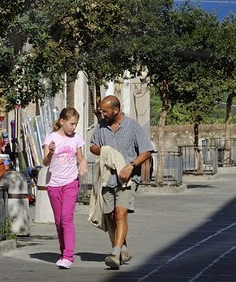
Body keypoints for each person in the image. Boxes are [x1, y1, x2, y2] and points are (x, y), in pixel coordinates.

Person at [89, 94, 154, 270]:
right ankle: (124, 250)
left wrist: (131, 166)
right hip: (107, 177)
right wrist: (104, 150)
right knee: (110, 216)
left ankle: (115, 254)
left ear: (115, 110)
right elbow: (92, 145)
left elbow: (146, 151)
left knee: (120, 214)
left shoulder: (133, 127)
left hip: (127, 179)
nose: (102, 114)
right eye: (101, 111)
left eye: (105, 111)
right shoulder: (101, 126)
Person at [42, 107, 86, 269]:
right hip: (54, 184)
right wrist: (51, 152)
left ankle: (68, 256)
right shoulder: (51, 138)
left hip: (70, 182)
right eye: (71, 124)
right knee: (59, 221)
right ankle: (63, 252)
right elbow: (45, 163)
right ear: (62, 122)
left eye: (76, 124)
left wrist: (83, 164)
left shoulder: (77, 139)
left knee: (67, 218)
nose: (74, 127)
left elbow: (80, 157)